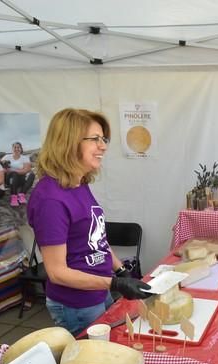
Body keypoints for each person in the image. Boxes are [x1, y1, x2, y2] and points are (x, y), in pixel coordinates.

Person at [27, 108, 151, 336]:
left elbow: (98, 241)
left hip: (98, 291)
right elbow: (56, 272)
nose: (103, 146)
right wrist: (115, 284)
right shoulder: (50, 199)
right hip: (75, 304)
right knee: (93, 362)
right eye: (95, 139)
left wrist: (121, 271)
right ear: (69, 142)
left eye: (103, 139)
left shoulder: (79, 185)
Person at [1, 141, 34, 207]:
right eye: (15, 147)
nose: (16, 149)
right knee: (14, 174)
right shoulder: (6, 157)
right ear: (12, 149)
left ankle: (22, 194)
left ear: (21, 149)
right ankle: (14, 197)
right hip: (10, 179)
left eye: (18, 147)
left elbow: (26, 170)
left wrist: (11, 170)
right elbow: (1, 169)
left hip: (21, 179)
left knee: (32, 175)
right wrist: (12, 171)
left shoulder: (25, 158)